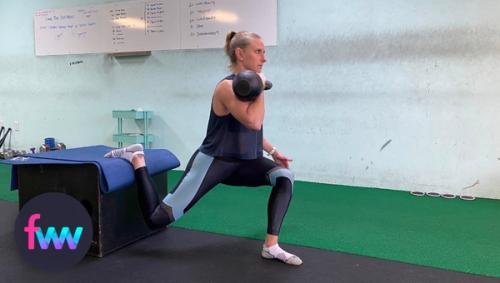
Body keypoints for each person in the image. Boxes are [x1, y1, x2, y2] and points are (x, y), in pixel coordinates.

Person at [105, 31, 302, 266]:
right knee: (157, 219)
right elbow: (254, 121)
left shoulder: (248, 87)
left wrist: (273, 151)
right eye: (258, 51)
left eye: (264, 52)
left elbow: (251, 131)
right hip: (214, 162)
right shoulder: (227, 88)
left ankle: (271, 246)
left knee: (284, 177)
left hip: (245, 163)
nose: (264, 58)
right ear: (240, 54)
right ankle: (136, 157)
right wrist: (260, 85)